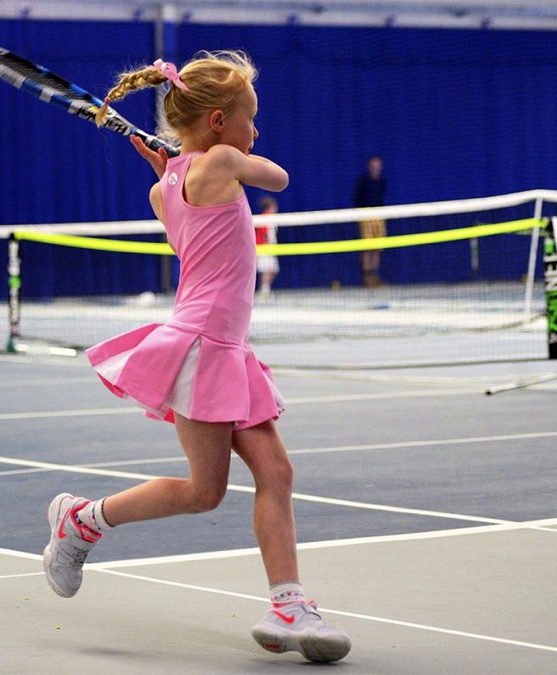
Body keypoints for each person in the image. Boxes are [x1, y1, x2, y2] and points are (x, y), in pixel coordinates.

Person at [42, 51, 351, 664]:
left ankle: (288, 603)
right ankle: (81, 520)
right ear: (216, 122)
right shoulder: (226, 163)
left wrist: (177, 163)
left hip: (224, 350)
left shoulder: (165, 189)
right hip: (202, 349)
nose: (255, 131)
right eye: (249, 119)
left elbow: (190, 208)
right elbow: (281, 179)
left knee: (275, 474)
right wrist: (214, 157)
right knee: (205, 491)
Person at [353, 155, 387, 287]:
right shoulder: (364, 181)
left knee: (377, 249)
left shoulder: (382, 181)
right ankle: (367, 278)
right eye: (374, 164)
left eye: (378, 164)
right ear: (370, 166)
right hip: (366, 217)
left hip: (379, 216)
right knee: (367, 249)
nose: (376, 166)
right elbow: (357, 198)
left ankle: (375, 277)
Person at [255, 195, 280, 298]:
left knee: (273, 269)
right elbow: (266, 234)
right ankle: (264, 292)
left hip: (268, 248)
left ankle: (265, 289)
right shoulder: (267, 218)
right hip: (264, 248)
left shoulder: (270, 217)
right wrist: (270, 245)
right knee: (267, 269)